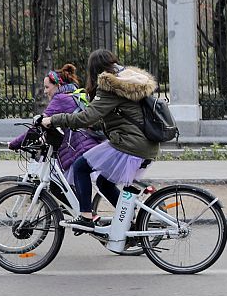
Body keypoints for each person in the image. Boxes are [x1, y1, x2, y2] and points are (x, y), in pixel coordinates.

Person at [41, 49, 160, 232]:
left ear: (94, 69)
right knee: (104, 183)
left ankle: (86, 217)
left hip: (130, 144)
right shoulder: (126, 80)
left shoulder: (110, 85)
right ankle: (128, 219)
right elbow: (120, 115)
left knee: (81, 167)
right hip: (142, 143)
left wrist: (55, 119)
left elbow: (86, 116)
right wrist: (96, 125)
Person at [9, 64, 102, 178]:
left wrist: (15, 144)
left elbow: (38, 125)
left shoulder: (60, 99)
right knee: (62, 185)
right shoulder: (72, 96)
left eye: (47, 87)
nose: (44, 91)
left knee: (59, 183)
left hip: (79, 149)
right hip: (88, 145)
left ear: (58, 85)